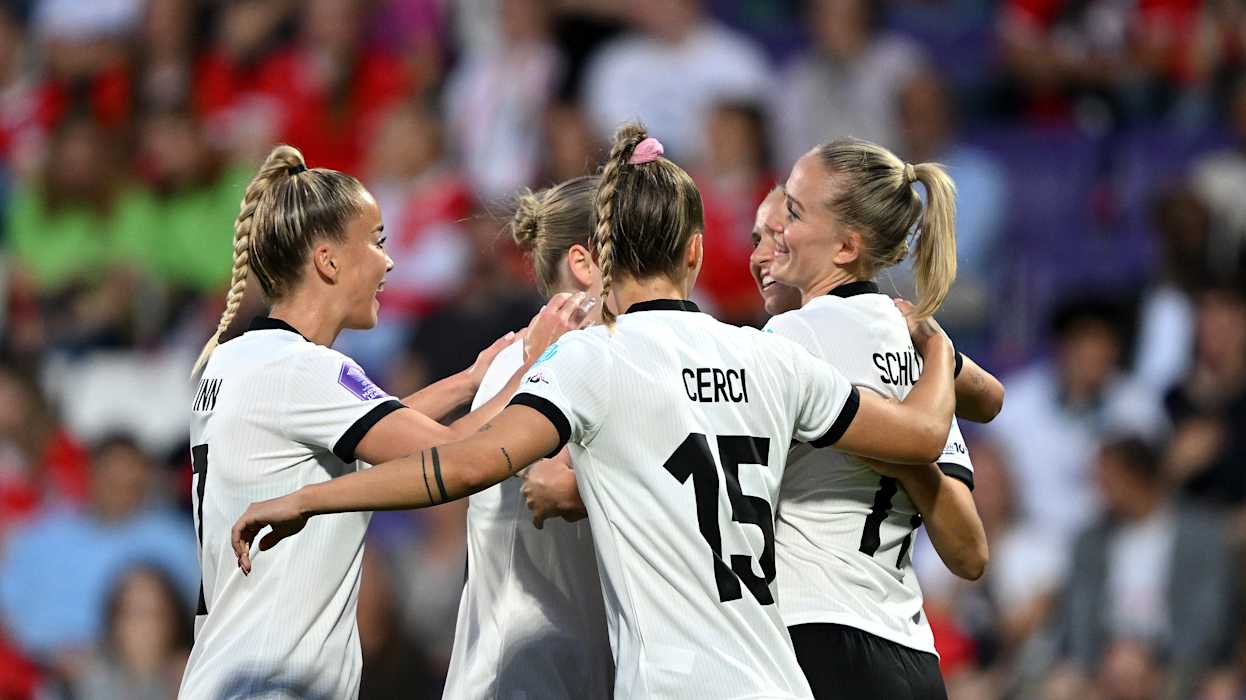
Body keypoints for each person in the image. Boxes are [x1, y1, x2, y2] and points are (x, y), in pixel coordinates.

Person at [232, 123, 960, 699]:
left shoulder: (585, 361)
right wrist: (938, 353)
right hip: (780, 679)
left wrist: (312, 496)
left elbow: (457, 464)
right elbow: (926, 435)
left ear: (601, 255)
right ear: (698, 255)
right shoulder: (767, 355)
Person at [177, 144, 579, 700]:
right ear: (328, 260)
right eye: (377, 241)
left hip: (224, 672)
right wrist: (536, 363)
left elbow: (356, 438)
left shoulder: (237, 359)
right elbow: (451, 453)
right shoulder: (305, 371)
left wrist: (468, 381)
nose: (389, 262)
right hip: (271, 683)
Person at [763, 138, 999, 699]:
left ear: (846, 246)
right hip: (913, 656)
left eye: (793, 212)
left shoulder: (793, 337)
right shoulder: (918, 352)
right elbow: (969, 555)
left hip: (817, 639)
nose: (778, 228)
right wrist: (909, 456)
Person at [443, 176, 612, 699]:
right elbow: (546, 480)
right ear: (586, 264)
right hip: (513, 676)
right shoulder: (518, 366)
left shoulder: (618, 359)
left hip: (583, 671)